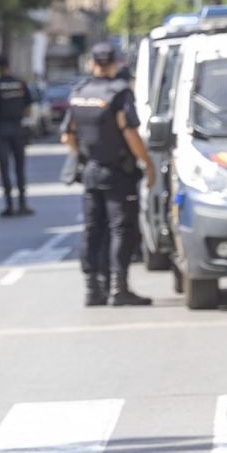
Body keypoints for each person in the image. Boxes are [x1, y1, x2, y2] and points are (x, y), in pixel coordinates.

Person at [62, 42, 155, 308]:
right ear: (115, 63)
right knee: (121, 230)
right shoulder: (119, 94)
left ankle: (93, 288)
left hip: (91, 171)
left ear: (92, 63)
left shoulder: (79, 93)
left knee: (93, 229)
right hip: (118, 172)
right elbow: (129, 133)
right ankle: (118, 288)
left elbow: (67, 136)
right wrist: (146, 163)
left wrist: (86, 155)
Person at [0, 53, 36, 217]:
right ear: (9, 64)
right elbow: (29, 107)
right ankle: (22, 204)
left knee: (4, 168)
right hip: (18, 129)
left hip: (1, 130)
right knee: (20, 167)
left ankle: (9, 205)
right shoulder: (20, 84)